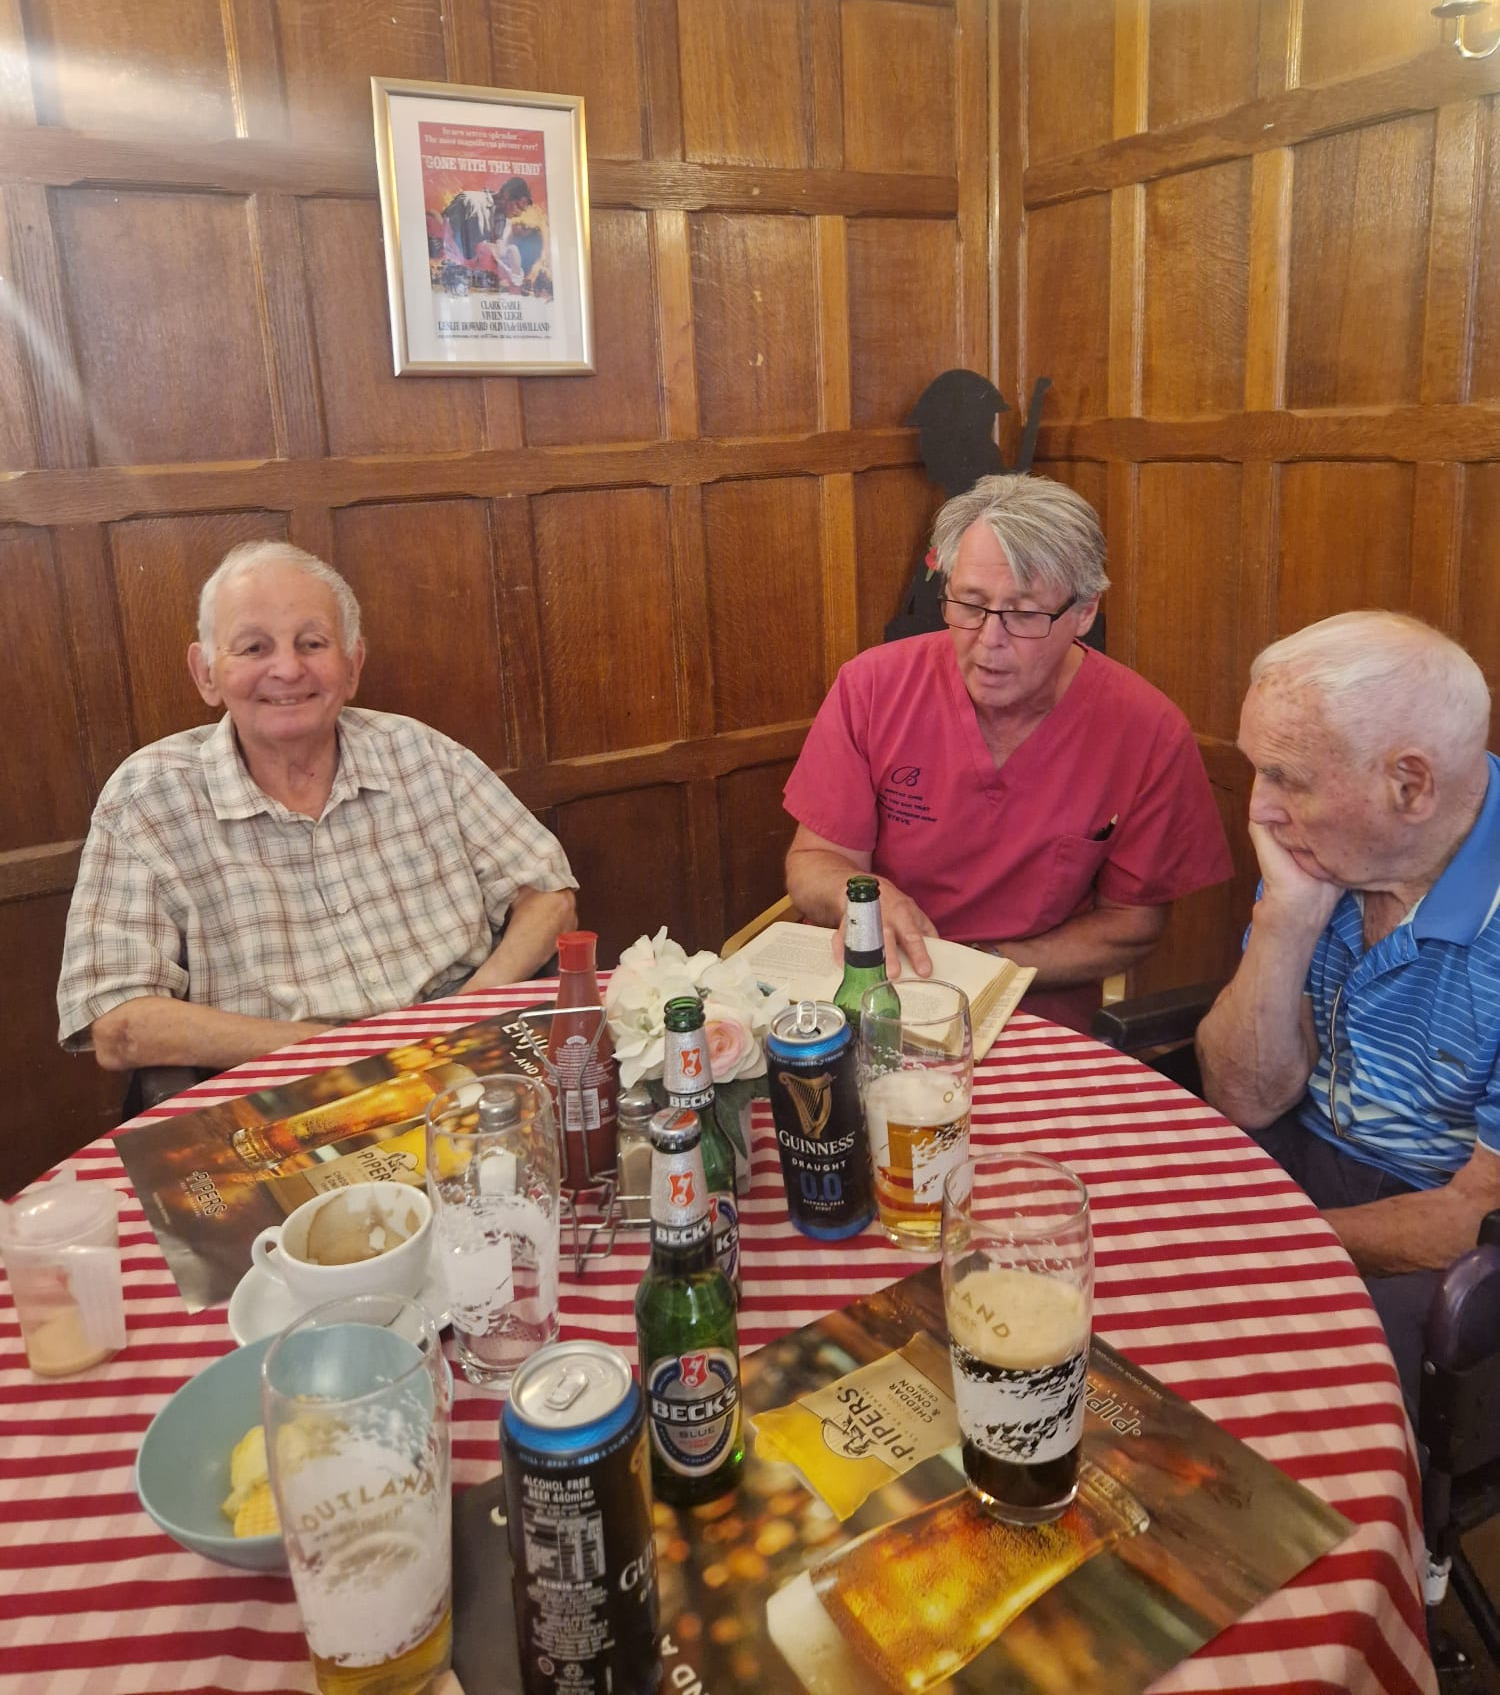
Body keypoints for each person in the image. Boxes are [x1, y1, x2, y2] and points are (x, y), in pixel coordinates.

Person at [57, 541, 578, 1074]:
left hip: (469, 1056)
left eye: (312, 643)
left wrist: (463, 1014)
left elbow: (549, 897)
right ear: (206, 673)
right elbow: (119, 1024)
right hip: (281, 1090)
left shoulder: (420, 752)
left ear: (351, 666)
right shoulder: (147, 800)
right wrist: (336, 1052)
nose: (287, 669)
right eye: (254, 648)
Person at [782, 473, 1232, 1030]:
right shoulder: (872, 686)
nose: (990, 641)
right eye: (969, 605)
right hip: (871, 983)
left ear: (1085, 612)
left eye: (1024, 615)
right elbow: (813, 864)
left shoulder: (1149, 731)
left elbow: (1131, 926)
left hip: (1026, 1000)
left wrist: (982, 968)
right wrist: (865, 901)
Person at [1197, 610, 1500, 1407]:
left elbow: (1477, 1216)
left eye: (1288, 778)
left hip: (1444, 1246)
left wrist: (1272, 1247)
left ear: (1409, 786)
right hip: (1298, 1157)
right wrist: (1285, 919)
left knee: (1258, 1379)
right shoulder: (1329, 852)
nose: (1259, 809)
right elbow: (1247, 1096)